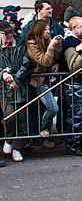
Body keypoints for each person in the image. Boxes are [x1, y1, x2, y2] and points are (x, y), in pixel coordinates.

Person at [25, 20, 62, 148]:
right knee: (53, 108)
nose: (48, 32)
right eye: (45, 30)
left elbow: (56, 57)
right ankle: (42, 129)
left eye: (49, 29)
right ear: (39, 31)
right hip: (39, 81)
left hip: (48, 79)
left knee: (47, 108)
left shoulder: (47, 41)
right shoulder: (32, 44)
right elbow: (44, 61)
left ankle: (44, 131)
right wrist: (51, 46)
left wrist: (57, 45)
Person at [0, 20, 31, 162]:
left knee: (22, 120)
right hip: (4, 91)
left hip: (21, 88)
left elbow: (26, 63)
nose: (9, 35)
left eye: (11, 32)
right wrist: (2, 74)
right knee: (9, 117)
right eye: (5, 33)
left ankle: (17, 148)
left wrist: (16, 80)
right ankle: (9, 139)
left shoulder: (20, 45)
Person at [61, 16, 82, 156]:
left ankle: (77, 141)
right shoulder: (70, 43)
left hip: (80, 84)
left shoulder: (78, 41)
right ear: (74, 28)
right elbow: (73, 66)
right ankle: (74, 144)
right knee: (75, 116)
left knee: (79, 114)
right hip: (74, 85)